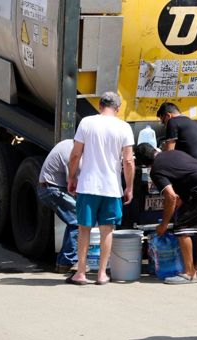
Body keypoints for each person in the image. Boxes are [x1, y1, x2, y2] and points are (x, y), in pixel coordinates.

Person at [67, 92, 135, 285]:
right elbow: (128, 161)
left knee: (84, 228)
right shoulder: (124, 127)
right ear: (118, 108)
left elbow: (75, 155)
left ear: (99, 105)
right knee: (107, 229)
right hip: (111, 187)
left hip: (88, 185)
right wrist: (129, 186)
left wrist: (72, 177)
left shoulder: (86, 123)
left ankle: (80, 273)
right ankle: (102, 274)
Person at [134, 143, 197, 284]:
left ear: (145, 163)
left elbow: (171, 197)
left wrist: (164, 224)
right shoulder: (172, 153)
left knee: (182, 228)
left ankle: (189, 273)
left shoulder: (156, 170)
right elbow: (184, 180)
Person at [157, 101, 197, 277]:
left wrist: (162, 164)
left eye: (162, 121)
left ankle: (188, 270)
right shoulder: (193, 124)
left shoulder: (174, 122)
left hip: (196, 180)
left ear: (167, 115)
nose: (163, 125)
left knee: (183, 225)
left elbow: (169, 153)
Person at [37, 139, 79, 273]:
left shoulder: (69, 144)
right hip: (52, 190)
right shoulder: (72, 154)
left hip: (49, 187)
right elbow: (73, 187)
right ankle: (67, 262)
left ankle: (63, 262)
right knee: (78, 220)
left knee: (73, 221)